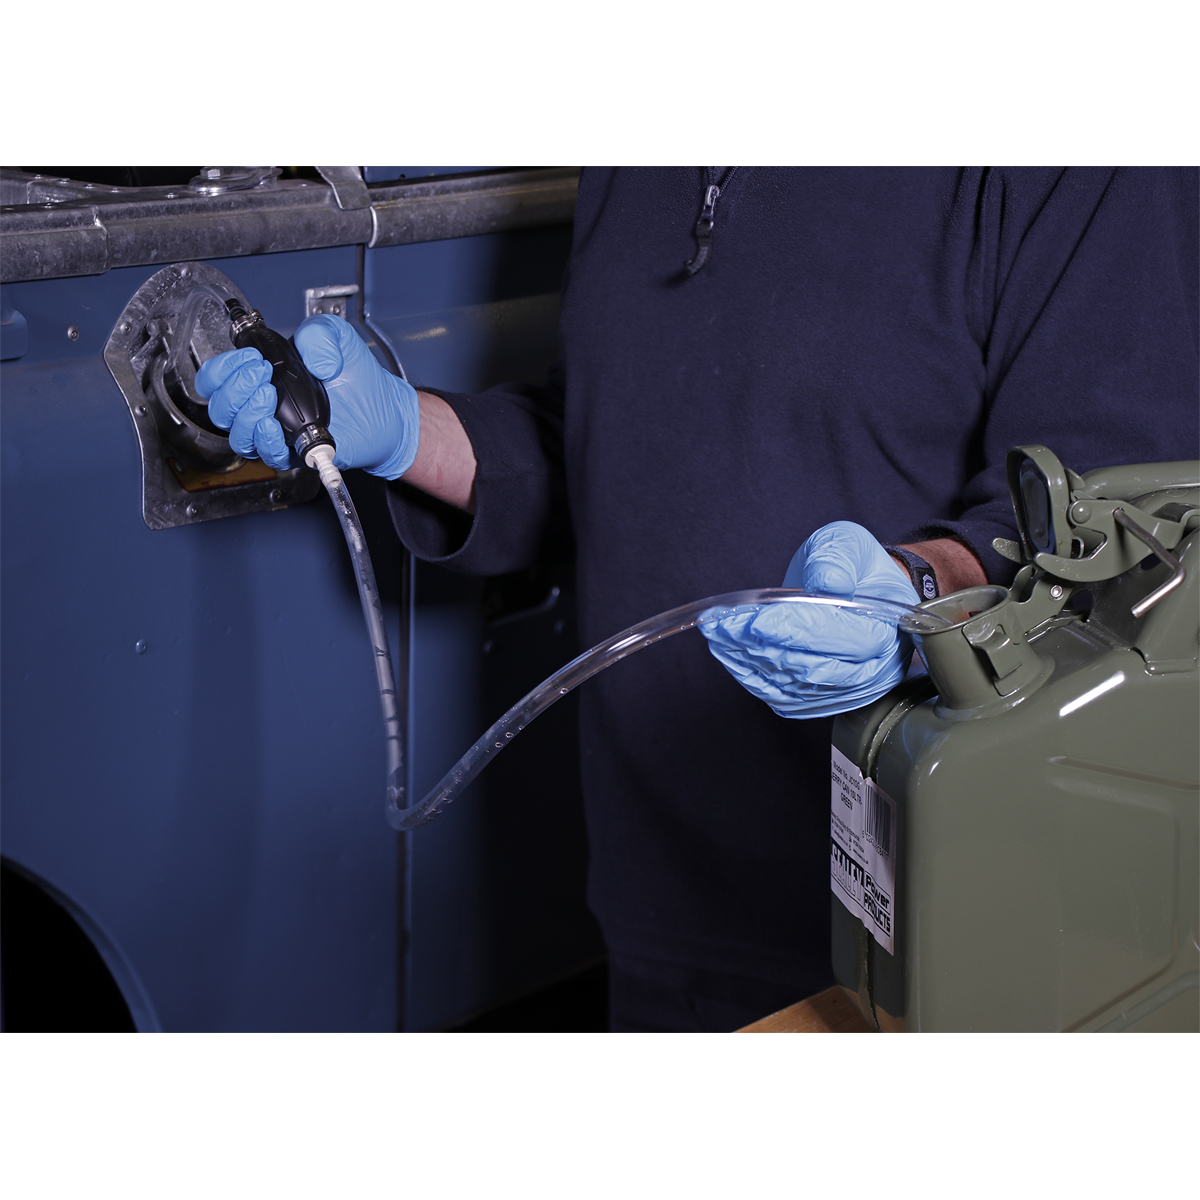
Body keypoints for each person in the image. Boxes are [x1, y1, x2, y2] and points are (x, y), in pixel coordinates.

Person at [198, 167, 1199, 1031]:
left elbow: (1124, 522)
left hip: (931, 937)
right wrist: (408, 433)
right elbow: (613, 448)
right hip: (660, 897)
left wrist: (920, 594)